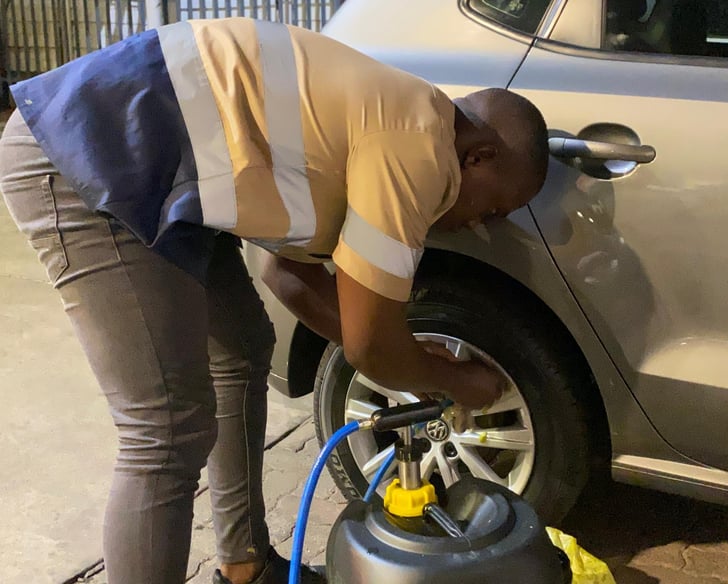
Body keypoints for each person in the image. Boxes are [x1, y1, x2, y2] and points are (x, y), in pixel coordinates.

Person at [0, 17, 548, 584]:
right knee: (167, 429)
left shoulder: (400, 115)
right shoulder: (418, 144)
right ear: (478, 156)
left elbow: (288, 275)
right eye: (494, 208)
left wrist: (409, 357)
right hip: (85, 154)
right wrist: (455, 379)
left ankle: (246, 568)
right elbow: (370, 348)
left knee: (241, 349)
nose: (481, 225)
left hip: (153, 168)